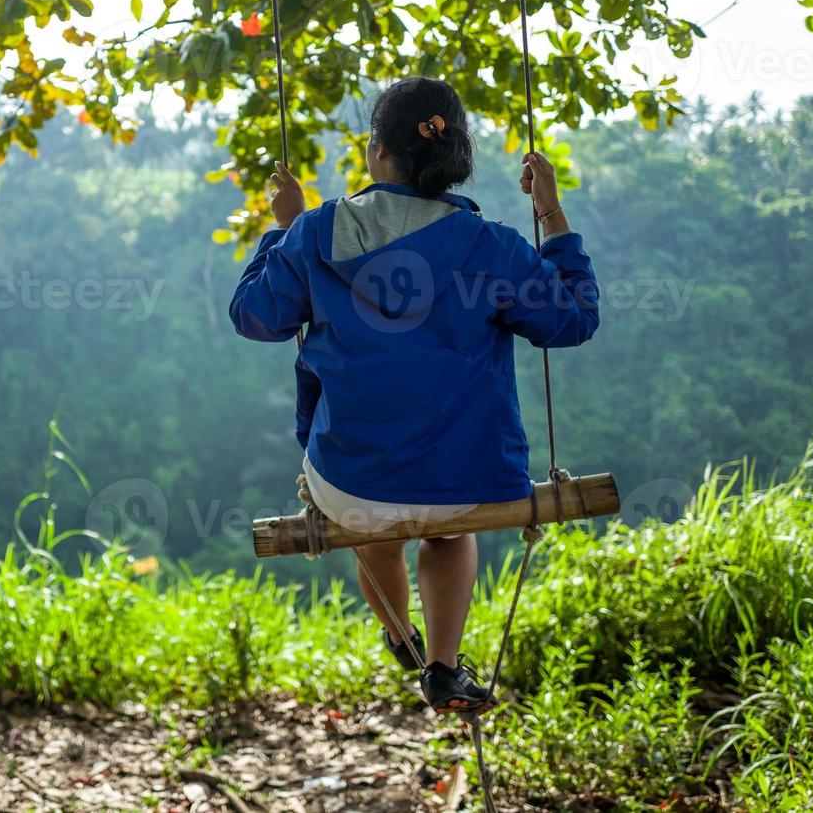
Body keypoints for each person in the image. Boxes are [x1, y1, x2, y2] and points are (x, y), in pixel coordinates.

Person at [228, 76, 600, 712]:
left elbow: (256, 317)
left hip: (353, 480)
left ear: (378, 151)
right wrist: (552, 214)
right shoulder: (493, 246)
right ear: (454, 158)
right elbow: (571, 319)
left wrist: (286, 229)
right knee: (449, 532)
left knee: (374, 531)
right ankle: (443, 666)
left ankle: (402, 637)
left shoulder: (318, 233)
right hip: (469, 479)